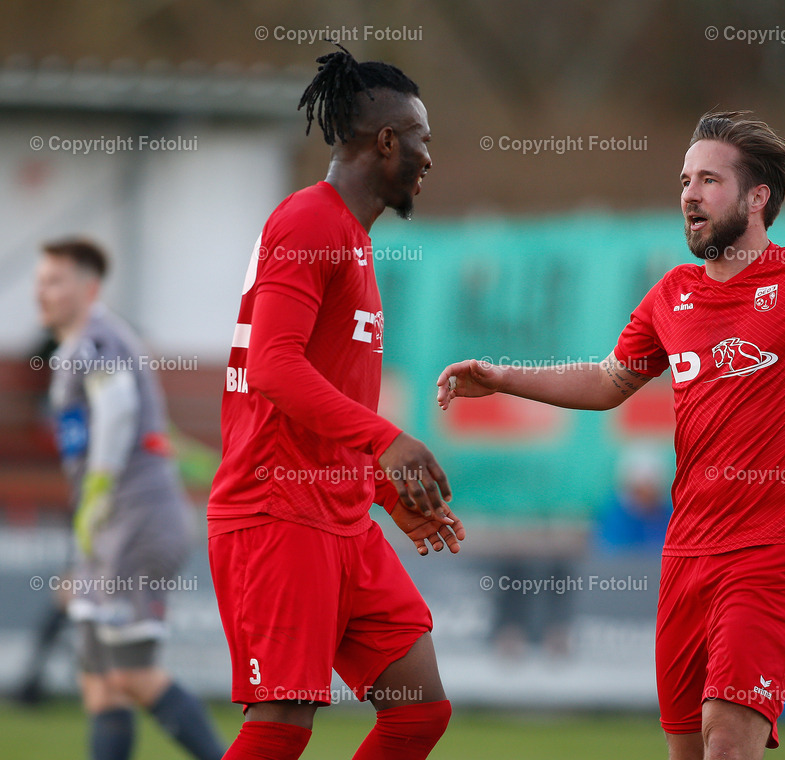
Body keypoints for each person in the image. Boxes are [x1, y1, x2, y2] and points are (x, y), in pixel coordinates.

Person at [436, 111, 785, 760]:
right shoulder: (671, 294)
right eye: (684, 180)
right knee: (687, 752)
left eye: (709, 179)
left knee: (728, 742)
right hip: (685, 557)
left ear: (757, 198)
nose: (690, 194)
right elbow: (606, 381)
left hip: (772, 553)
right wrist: (505, 376)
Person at [208, 46, 465, 760]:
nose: (428, 159)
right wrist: (388, 440)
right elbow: (273, 368)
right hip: (277, 515)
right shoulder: (309, 222)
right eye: (423, 140)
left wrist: (383, 486)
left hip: (340, 518)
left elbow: (321, 391)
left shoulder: (351, 239)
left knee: (419, 713)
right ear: (388, 140)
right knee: (283, 721)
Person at [36, 239, 224, 760]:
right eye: (40, 281)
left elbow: (117, 409)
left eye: (55, 281)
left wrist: (96, 492)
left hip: (134, 519)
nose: (41, 292)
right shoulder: (77, 345)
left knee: (131, 671)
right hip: (110, 524)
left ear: (89, 288)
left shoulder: (98, 336)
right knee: (101, 683)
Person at [596, 444, 673, 555]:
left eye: (650, 491)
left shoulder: (668, 515)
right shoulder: (614, 517)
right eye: (639, 492)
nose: (644, 499)